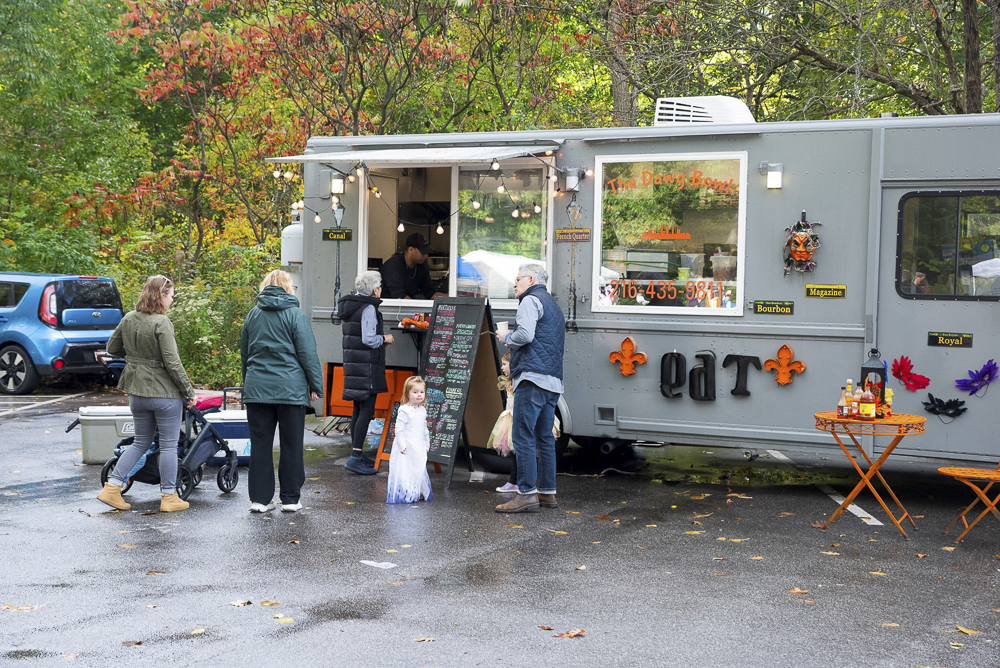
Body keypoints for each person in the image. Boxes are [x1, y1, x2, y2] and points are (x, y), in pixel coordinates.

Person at [97, 275, 196, 513]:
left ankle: (112, 488)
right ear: (161, 296)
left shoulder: (129, 318)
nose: (172, 300)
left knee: (141, 442)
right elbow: (172, 362)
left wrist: (135, 354)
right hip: (163, 393)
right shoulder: (162, 323)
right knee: (169, 446)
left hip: (137, 393)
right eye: (171, 295)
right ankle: (169, 496)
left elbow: (112, 348)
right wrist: (188, 390)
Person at [240, 270, 323, 513]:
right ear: (288, 288)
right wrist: (315, 385)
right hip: (290, 390)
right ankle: (289, 499)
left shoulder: (253, 315)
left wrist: (250, 384)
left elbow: (246, 355)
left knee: (261, 445)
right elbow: (308, 354)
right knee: (292, 444)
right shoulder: (296, 315)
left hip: (258, 391)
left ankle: (259, 500)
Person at [494, 263, 565, 513]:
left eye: (518, 279)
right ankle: (548, 493)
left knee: (522, 436)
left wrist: (506, 338)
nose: (515, 283)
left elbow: (525, 335)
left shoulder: (529, 300)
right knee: (544, 438)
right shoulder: (553, 305)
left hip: (532, 378)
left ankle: (525, 494)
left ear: (531, 279)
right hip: (553, 381)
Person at [338, 271, 393, 475]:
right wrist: (385, 338)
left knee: (358, 410)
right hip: (367, 366)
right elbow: (369, 339)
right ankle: (354, 457)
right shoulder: (368, 307)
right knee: (366, 411)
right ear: (374, 290)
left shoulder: (351, 306)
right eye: (379, 287)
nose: (380, 291)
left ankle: (357, 453)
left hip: (355, 365)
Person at [386, 376, 433, 503]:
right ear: (407, 393)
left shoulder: (422, 410)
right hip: (407, 445)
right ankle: (407, 493)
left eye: (421, 392)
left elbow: (424, 428)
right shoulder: (404, 410)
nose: (419, 395)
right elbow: (399, 429)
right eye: (415, 392)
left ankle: (418, 490)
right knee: (406, 468)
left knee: (418, 467)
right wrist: (402, 444)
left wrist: (427, 441)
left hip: (418, 445)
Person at [379, 232, 447, 299]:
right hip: (387, 307)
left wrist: (452, 297)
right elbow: (400, 298)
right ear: (411, 250)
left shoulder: (421, 266)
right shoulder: (393, 266)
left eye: (427, 253)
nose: (426, 256)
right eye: (423, 252)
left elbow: (430, 293)